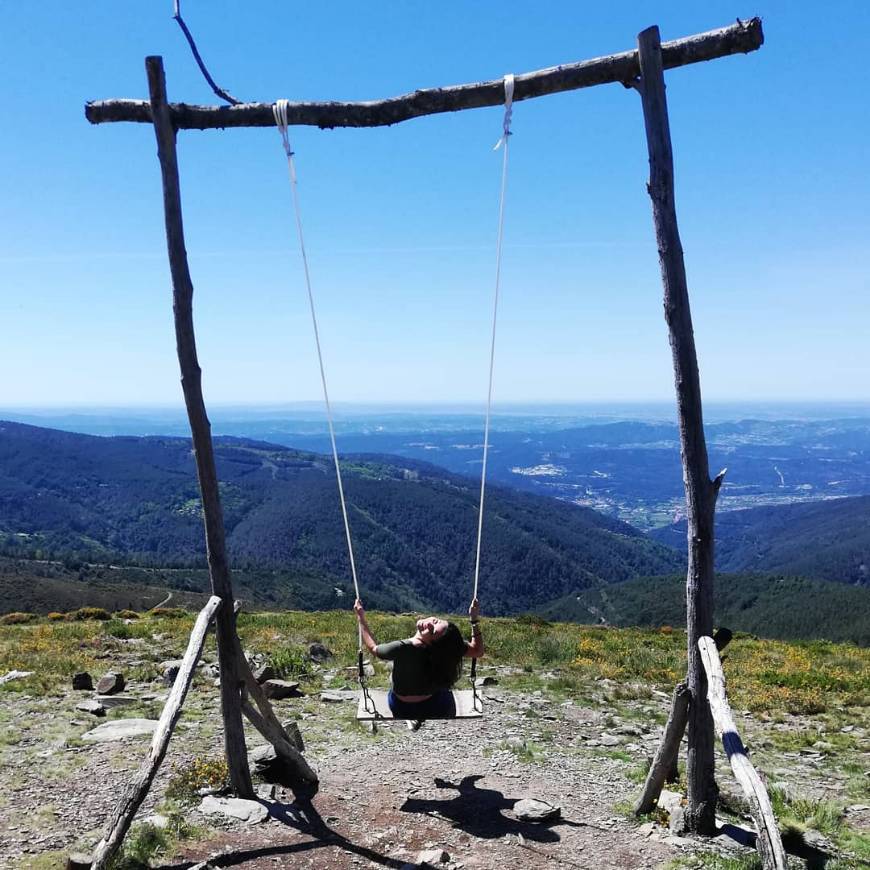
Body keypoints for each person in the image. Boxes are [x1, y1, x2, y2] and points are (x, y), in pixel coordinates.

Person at [354, 597, 484, 721]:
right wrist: (474, 620)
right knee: (442, 681)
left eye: (431, 631)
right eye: (435, 621)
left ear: (433, 644)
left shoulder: (401, 648)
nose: (428, 623)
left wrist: (361, 618)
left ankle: (413, 718)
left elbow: (373, 648)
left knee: (393, 679)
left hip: (401, 708)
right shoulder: (446, 649)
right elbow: (477, 651)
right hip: (439, 708)